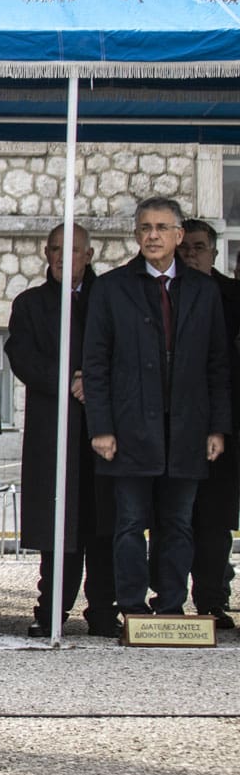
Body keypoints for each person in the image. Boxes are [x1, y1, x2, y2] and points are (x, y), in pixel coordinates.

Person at [84, 198, 230, 619]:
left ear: (179, 236)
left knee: (179, 524)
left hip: (187, 427)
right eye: (145, 227)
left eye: (162, 228)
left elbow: (216, 364)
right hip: (129, 428)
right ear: (135, 235)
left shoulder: (204, 291)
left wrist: (217, 428)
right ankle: (131, 608)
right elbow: (96, 364)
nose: (152, 235)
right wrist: (101, 427)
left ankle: (170, 607)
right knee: (130, 524)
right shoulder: (112, 288)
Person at [5, 222, 119, 637]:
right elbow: (21, 356)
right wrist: (67, 381)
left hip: (102, 426)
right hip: (54, 429)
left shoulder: (109, 298)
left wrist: (93, 381)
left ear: (88, 256)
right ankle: (52, 609)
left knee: (102, 521)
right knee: (59, 525)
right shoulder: (31, 303)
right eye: (55, 249)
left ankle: (104, 609)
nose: (61, 257)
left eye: (71, 251)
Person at [178, 219, 239, 628]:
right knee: (172, 516)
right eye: (186, 248)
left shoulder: (233, 296)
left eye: (199, 248)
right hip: (175, 421)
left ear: (214, 252)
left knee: (215, 520)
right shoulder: (163, 293)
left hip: (224, 421)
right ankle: (166, 597)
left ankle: (213, 599)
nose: (191, 255)